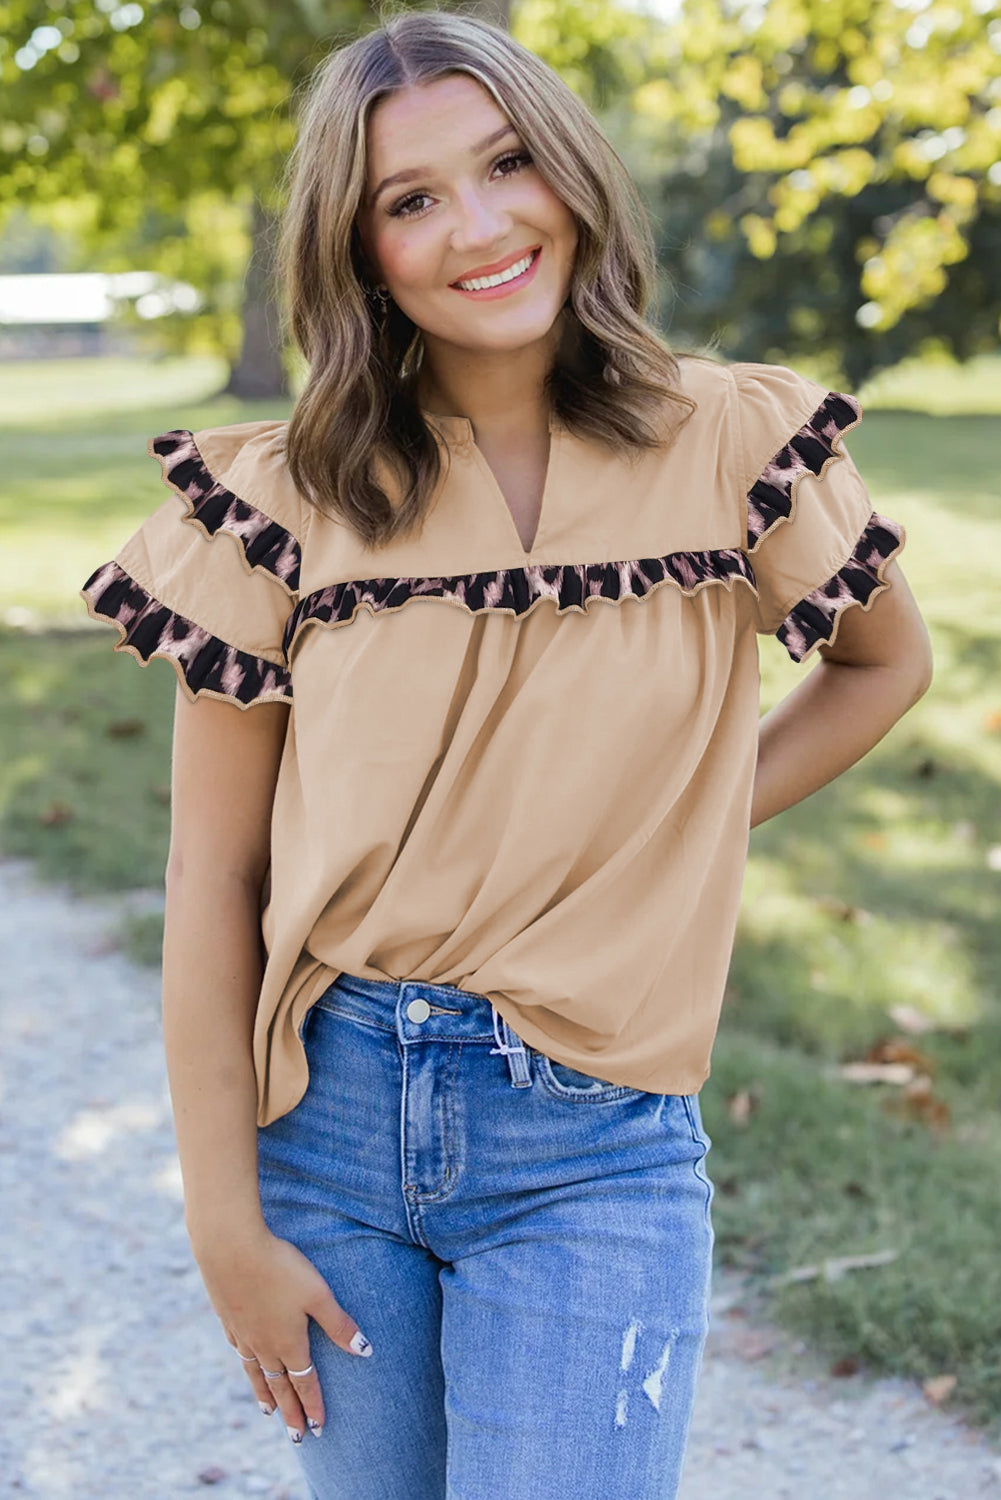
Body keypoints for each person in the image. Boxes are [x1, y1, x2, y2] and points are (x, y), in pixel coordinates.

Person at [79, 9, 933, 1497]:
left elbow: (881, 665)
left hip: (593, 1144)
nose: (477, 224)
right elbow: (213, 878)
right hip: (329, 1138)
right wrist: (225, 1227)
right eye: (411, 200)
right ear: (358, 250)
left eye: (505, 163)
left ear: (569, 170)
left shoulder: (733, 439)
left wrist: (660, 830)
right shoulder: (281, 503)